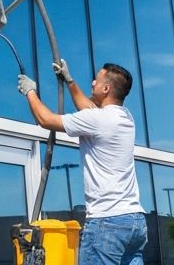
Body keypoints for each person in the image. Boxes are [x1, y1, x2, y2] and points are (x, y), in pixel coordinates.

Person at [17, 61, 147, 265]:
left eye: (97, 79)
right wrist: (69, 81)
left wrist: (30, 92)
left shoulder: (98, 120)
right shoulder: (125, 117)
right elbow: (89, 108)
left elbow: (46, 119)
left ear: (106, 88)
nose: (93, 82)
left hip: (108, 221)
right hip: (134, 223)